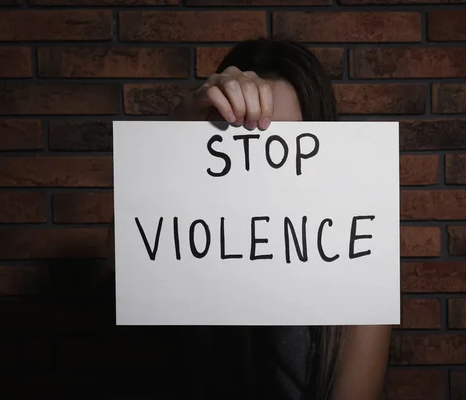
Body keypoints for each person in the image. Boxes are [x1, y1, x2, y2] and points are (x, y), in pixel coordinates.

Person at [107, 38, 392, 400]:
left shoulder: (358, 270)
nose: (268, 165)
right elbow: (122, 263)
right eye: (248, 141)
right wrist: (179, 132)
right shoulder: (181, 257)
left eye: (288, 146)